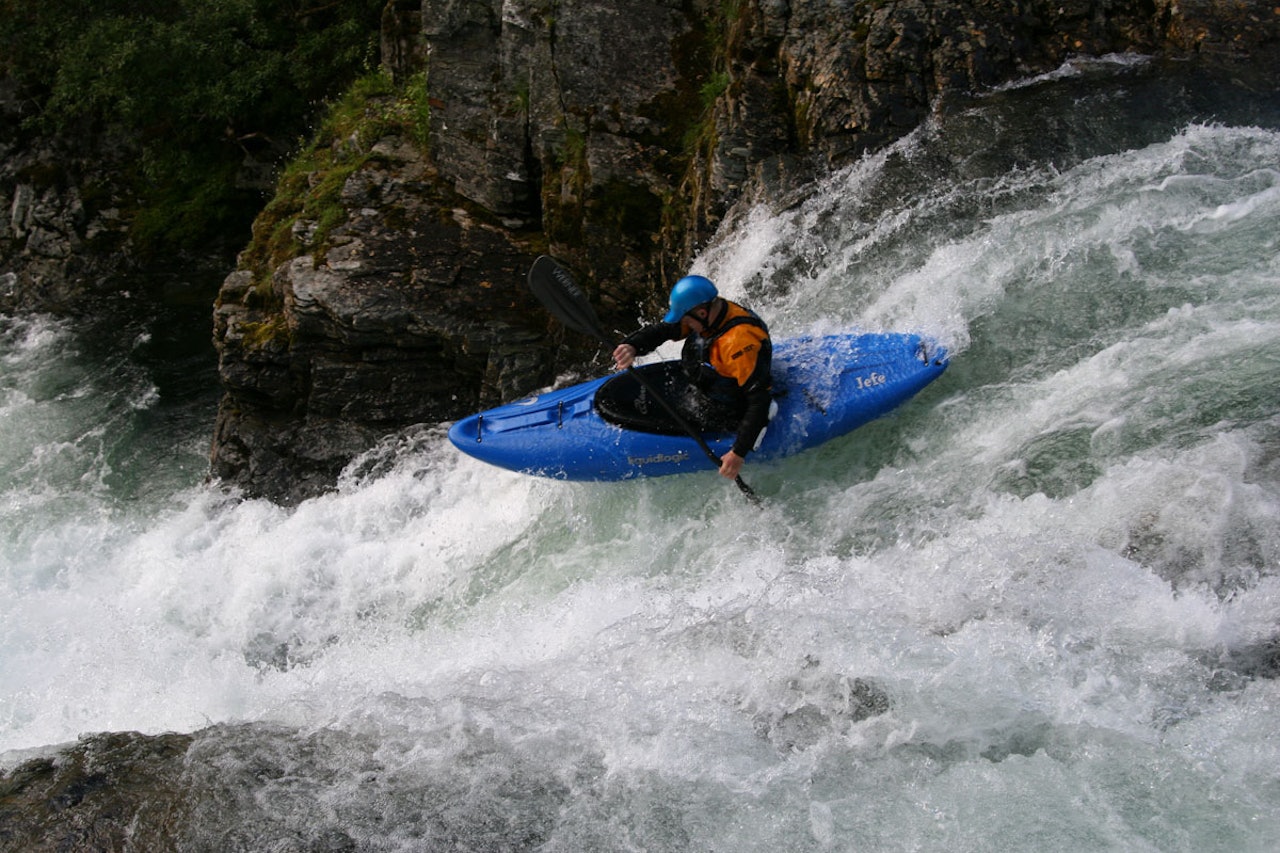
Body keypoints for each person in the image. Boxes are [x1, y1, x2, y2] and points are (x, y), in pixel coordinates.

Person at [612, 274, 772, 480]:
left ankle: (759, 426)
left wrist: (739, 453)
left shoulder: (738, 342)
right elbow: (664, 330)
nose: (685, 325)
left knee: (664, 423)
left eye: (686, 320)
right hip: (709, 380)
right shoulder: (709, 315)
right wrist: (632, 345)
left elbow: (759, 399)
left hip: (731, 404)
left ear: (702, 313)